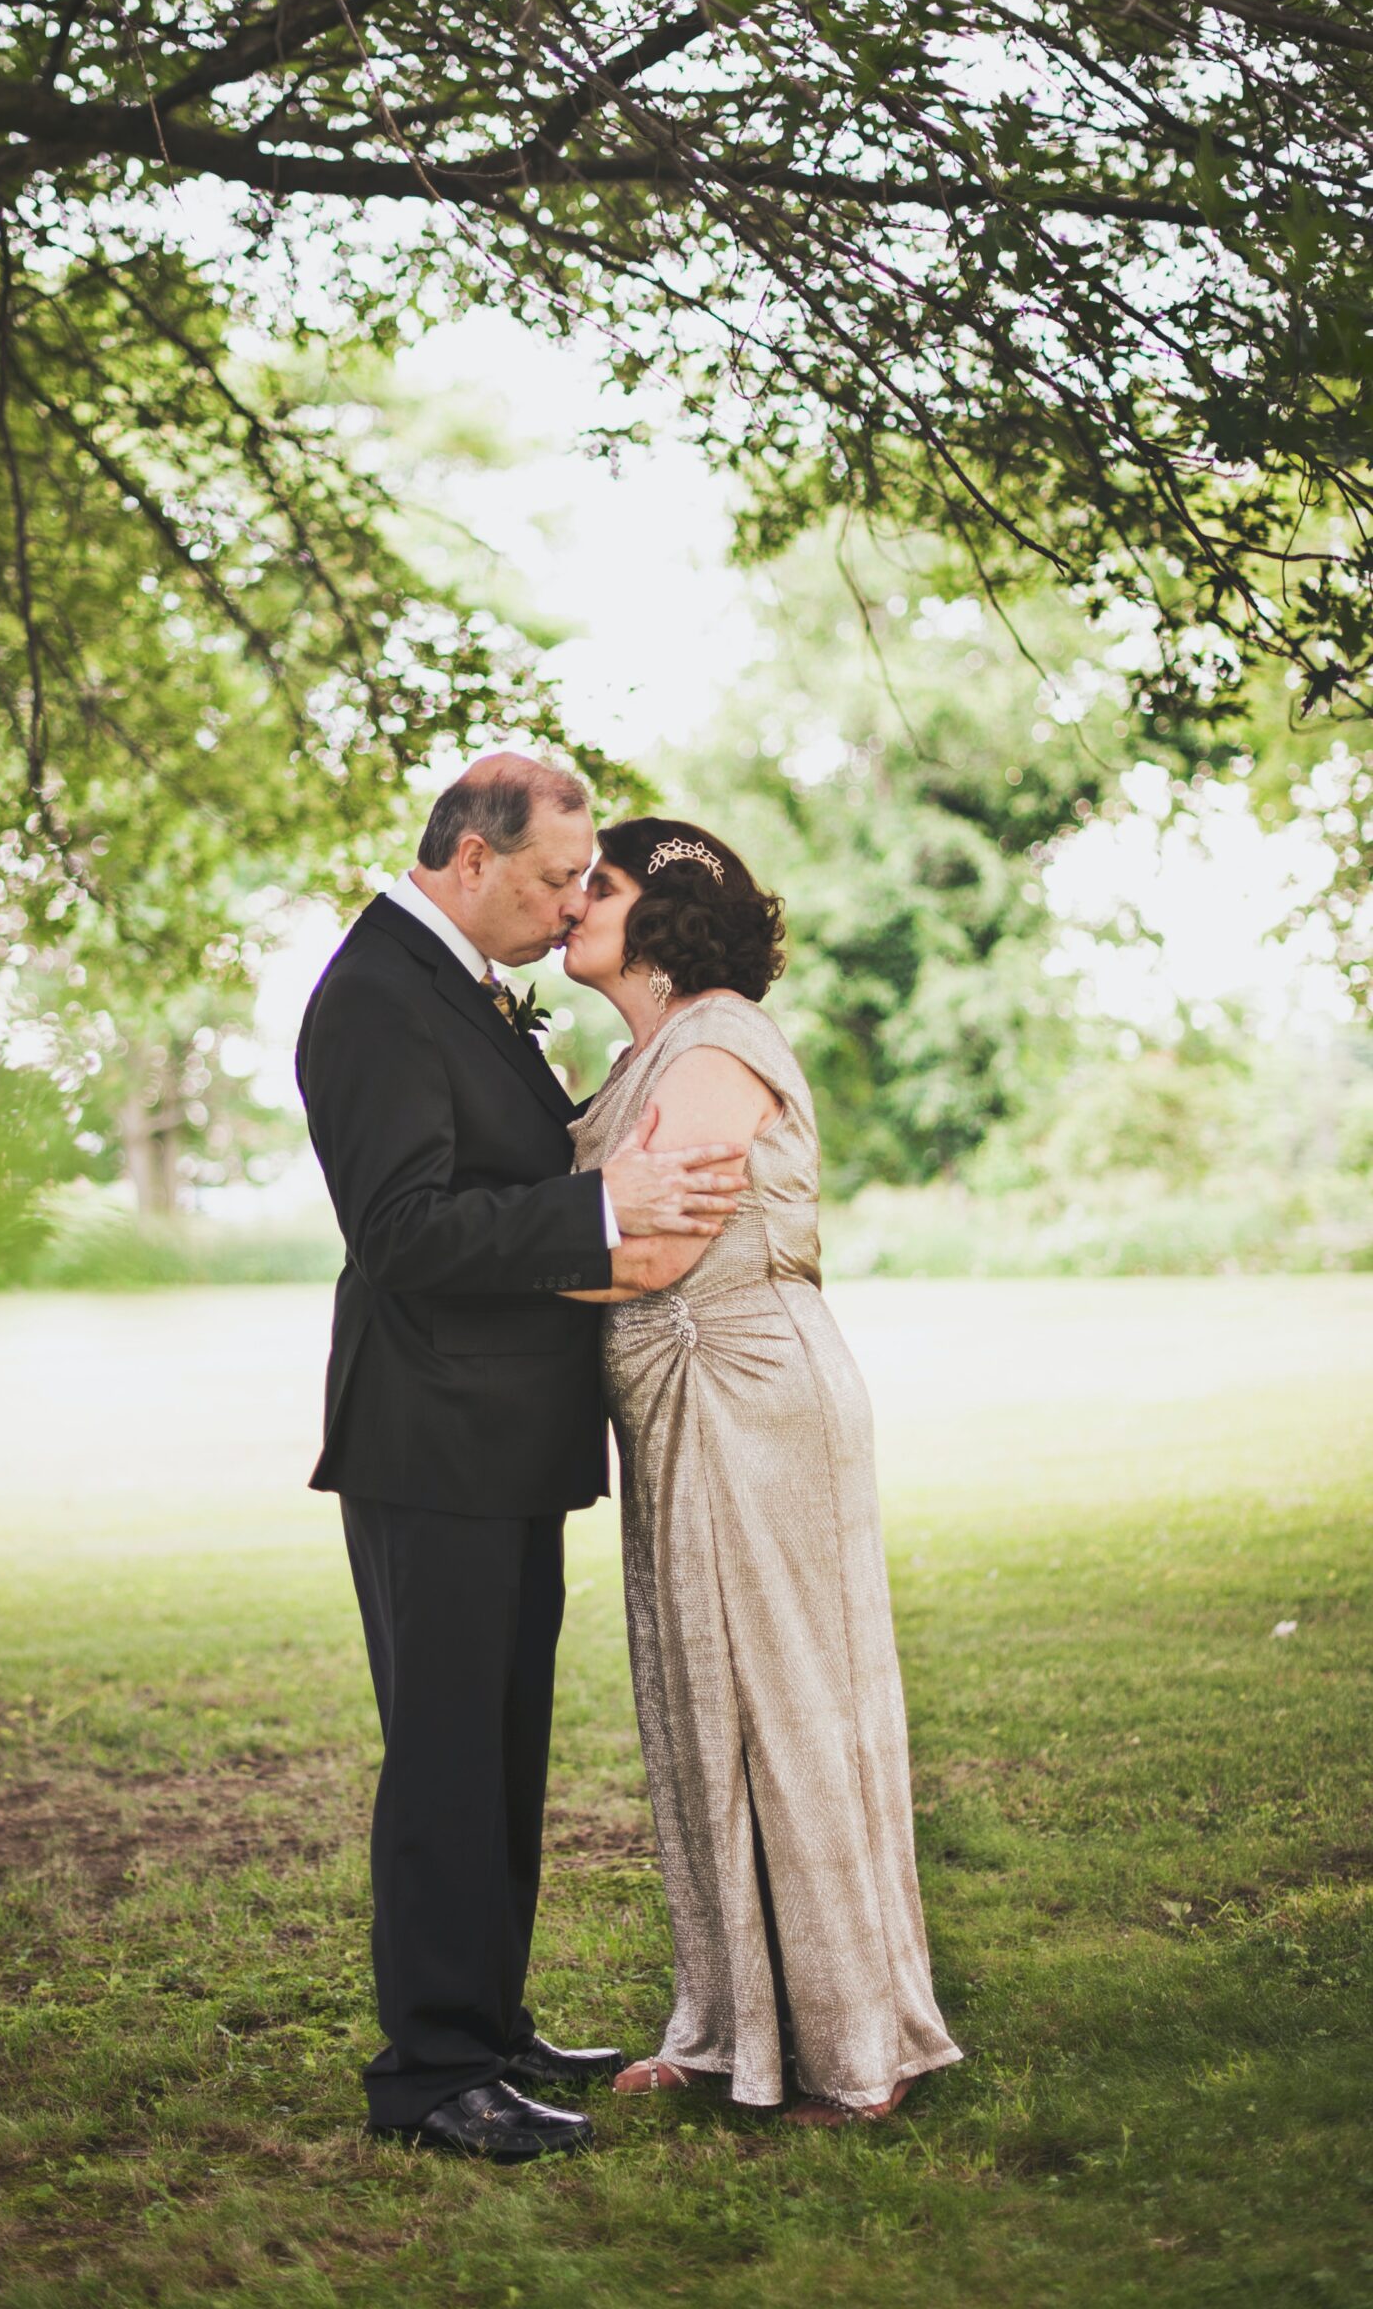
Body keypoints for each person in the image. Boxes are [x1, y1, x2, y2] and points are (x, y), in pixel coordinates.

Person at [295, 756, 750, 2161]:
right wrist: (599, 1209)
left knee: (499, 1754)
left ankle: (488, 2025)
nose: (570, 912)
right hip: (430, 1439)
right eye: (559, 881)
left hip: (498, 1440)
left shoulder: (466, 987)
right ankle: (431, 2074)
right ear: (473, 857)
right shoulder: (375, 996)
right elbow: (406, 1233)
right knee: (444, 1760)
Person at [561, 817, 963, 2124]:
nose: (571, 898)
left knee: (787, 1715)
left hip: (747, 1396)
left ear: (665, 916)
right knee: (702, 1719)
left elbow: (661, 1241)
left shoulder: (720, 1032)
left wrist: (461, 1265)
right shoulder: (643, 1052)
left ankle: (853, 2055)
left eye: (596, 883)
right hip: (678, 1418)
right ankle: (734, 2026)